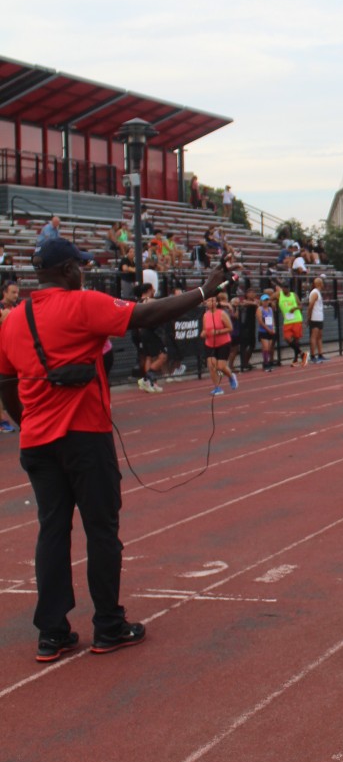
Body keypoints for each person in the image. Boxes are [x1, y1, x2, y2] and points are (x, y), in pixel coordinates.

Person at [0, 235, 229, 661]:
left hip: (37, 443)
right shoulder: (83, 303)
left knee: (52, 531)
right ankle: (108, 625)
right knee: (101, 530)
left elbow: (6, 382)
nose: (83, 272)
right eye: (80, 266)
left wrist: (25, 421)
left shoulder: (13, 319)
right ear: (67, 270)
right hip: (85, 437)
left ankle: (52, 633)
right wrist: (204, 290)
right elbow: (146, 315)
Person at [202, 292, 235, 394]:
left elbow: (230, 328)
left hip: (223, 343)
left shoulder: (222, 313)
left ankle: (231, 376)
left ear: (216, 303)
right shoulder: (205, 315)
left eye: (213, 301)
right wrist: (203, 333)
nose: (210, 303)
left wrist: (218, 332)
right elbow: (205, 329)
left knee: (220, 367)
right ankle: (217, 387)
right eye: (208, 301)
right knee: (211, 366)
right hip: (210, 343)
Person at [0, 279, 19, 431]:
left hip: (12, 352)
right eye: (13, 292)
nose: (16, 295)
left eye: (17, 292)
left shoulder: (17, 308)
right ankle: (1, 421)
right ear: (4, 293)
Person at [278, 283, 306, 364]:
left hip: (296, 319)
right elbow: (270, 296)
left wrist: (295, 308)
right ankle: (302, 353)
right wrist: (272, 302)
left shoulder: (294, 295)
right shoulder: (279, 295)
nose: (285, 289)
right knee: (287, 338)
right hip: (287, 321)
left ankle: (296, 358)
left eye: (287, 288)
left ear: (289, 289)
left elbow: (301, 306)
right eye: (284, 288)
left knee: (296, 340)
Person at [256, 292, 277, 370]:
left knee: (270, 348)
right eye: (264, 300)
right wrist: (268, 329)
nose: (266, 302)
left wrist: (273, 328)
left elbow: (272, 319)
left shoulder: (270, 309)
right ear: (261, 301)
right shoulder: (259, 309)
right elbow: (260, 321)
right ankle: (265, 363)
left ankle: (268, 362)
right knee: (266, 348)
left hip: (270, 330)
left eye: (267, 300)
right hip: (263, 331)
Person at [307, 277, 325, 362]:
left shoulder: (318, 292)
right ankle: (313, 355)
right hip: (315, 317)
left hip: (319, 317)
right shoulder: (314, 292)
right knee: (314, 336)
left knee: (319, 336)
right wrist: (309, 317)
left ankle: (320, 354)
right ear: (320, 284)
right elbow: (311, 305)